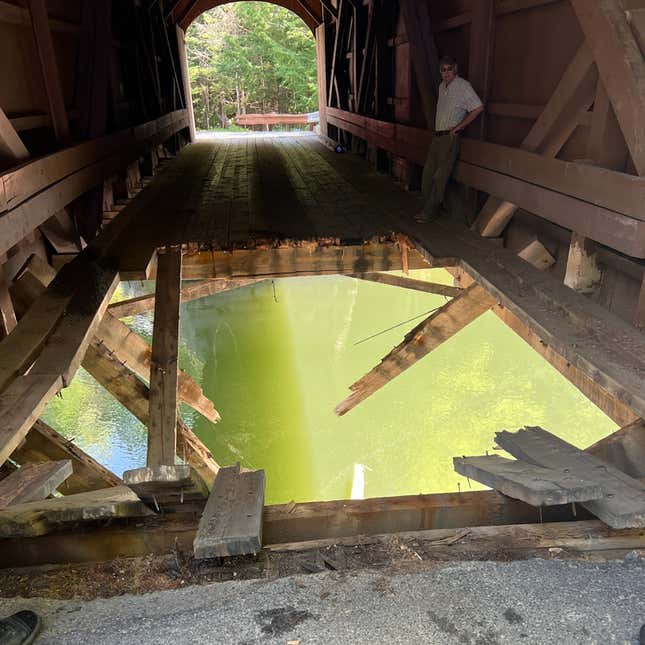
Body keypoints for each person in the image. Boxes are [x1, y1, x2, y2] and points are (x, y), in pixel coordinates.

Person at [416, 55, 484, 223]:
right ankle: (427, 208)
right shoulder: (441, 87)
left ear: (456, 69)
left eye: (449, 69)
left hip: (449, 138)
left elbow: (478, 107)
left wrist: (458, 127)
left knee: (440, 177)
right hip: (437, 136)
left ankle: (428, 213)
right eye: (443, 69)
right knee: (427, 175)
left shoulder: (463, 86)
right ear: (440, 71)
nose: (446, 72)